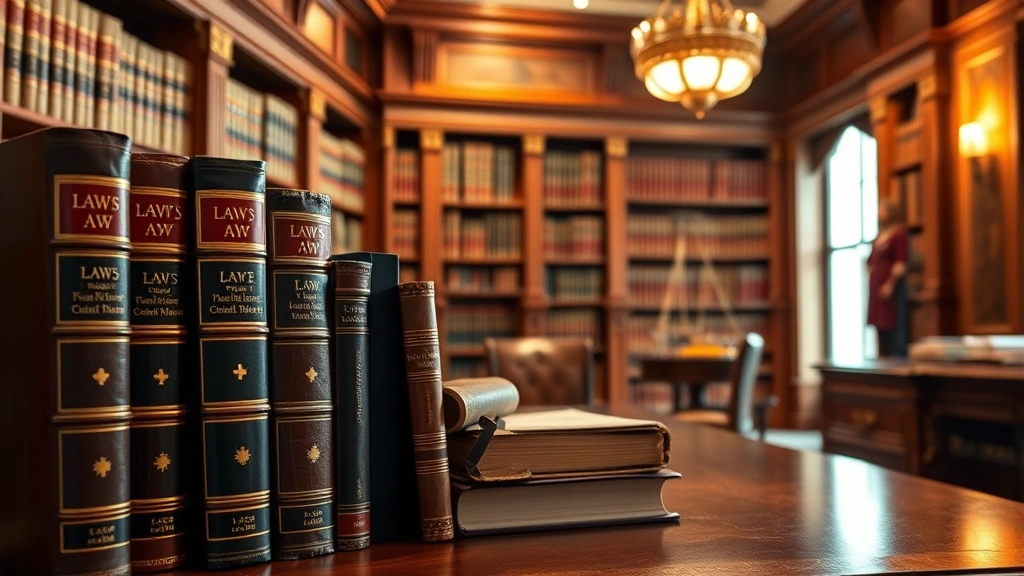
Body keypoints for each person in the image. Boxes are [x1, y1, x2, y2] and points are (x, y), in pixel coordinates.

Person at [867, 197, 908, 358]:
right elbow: (871, 260)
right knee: (880, 326)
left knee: (893, 325)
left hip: (891, 289)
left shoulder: (899, 234)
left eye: (883, 209)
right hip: (876, 289)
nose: (880, 212)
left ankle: (895, 359)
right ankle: (882, 357)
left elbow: (901, 262)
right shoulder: (880, 236)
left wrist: (890, 284)